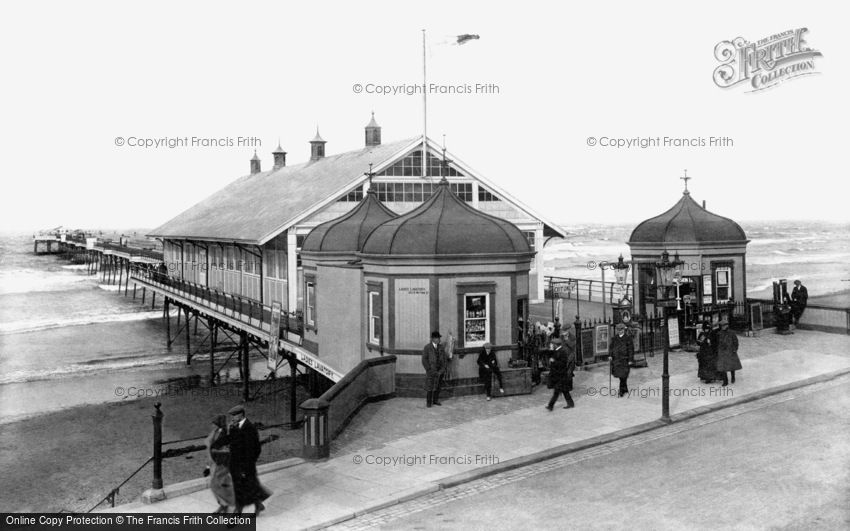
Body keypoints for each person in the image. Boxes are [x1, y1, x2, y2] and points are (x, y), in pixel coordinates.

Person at [227, 405, 271, 515]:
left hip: (245, 466)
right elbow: (233, 444)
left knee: (240, 491)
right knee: (250, 487)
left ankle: (236, 514)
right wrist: (231, 430)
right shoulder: (235, 426)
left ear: (241, 415)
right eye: (231, 416)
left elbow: (255, 450)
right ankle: (258, 505)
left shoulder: (249, 428)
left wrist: (246, 467)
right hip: (235, 464)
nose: (232, 418)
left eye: (234, 415)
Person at [205, 415, 235, 514]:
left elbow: (224, 450)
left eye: (214, 423)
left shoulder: (223, 433)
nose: (212, 425)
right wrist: (208, 466)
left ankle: (225, 505)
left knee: (214, 484)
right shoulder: (215, 432)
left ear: (217, 424)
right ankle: (224, 505)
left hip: (221, 463)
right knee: (223, 485)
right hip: (215, 462)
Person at [546, 337, 576, 410]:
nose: (551, 345)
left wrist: (553, 361)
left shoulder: (562, 351)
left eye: (552, 344)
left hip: (561, 375)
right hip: (558, 375)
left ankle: (551, 406)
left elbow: (562, 363)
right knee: (564, 391)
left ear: (555, 345)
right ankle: (570, 403)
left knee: (558, 391)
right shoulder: (556, 350)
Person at [422, 331, 448, 407]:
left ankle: (435, 400)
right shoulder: (427, 347)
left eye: (439, 338)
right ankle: (428, 403)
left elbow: (444, 359)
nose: (439, 340)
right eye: (437, 338)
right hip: (431, 371)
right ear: (433, 339)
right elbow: (424, 360)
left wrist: (443, 369)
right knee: (430, 386)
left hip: (440, 371)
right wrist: (429, 370)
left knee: (438, 386)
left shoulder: (441, 347)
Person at [715, 319, 742, 386]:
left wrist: (735, 349)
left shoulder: (732, 333)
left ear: (727, 326)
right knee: (723, 367)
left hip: (730, 351)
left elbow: (736, 342)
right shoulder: (719, 333)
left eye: (724, 326)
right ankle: (725, 381)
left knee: (732, 366)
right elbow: (717, 342)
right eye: (721, 326)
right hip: (722, 352)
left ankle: (733, 376)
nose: (722, 327)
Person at [609, 323, 633, 397]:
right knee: (620, 375)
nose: (620, 331)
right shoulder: (614, 338)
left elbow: (631, 350)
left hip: (625, 359)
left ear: (624, 330)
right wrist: (610, 355)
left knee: (624, 375)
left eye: (621, 330)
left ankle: (621, 391)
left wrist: (630, 359)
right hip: (617, 359)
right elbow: (611, 348)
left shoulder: (628, 338)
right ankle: (625, 388)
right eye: (618, 330)